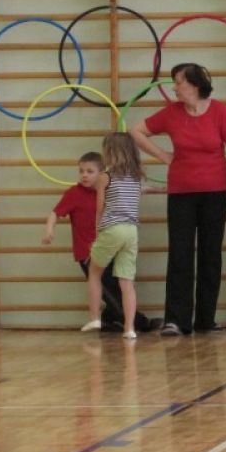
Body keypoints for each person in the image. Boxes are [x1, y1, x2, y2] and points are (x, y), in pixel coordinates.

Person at [131, 63, 226, 336]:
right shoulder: (171, 113)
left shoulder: (219, 111)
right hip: (181, 194)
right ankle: (176, 320)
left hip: (215, 192)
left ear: (195, 85)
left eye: (179, 82)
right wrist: (163, 155)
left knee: (211, 254)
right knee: (180, 254)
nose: (175, 88)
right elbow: (136, 131)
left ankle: (205, 319)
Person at [42, 152, 158, 333]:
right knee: (110, 292)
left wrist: (162, 189)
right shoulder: (74, 193)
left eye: (90, 171)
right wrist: (49, 230)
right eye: (81, 171)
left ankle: (111, 320)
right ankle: (140, 323)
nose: (84, 175)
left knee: (117, 288)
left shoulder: (109, 190)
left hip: (110, 249)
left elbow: (140, 188)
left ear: (102, 173)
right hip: (88, 254)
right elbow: (55, 213)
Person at [83, 133, 144, 339]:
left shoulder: (105, 177)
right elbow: (139, 193)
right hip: (131, 231)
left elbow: (100, 208)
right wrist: (161, 189)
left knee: (94, 271)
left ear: (109, 153)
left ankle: (94, 317)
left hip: (112, 229)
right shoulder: (135, 177)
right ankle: (130, 329)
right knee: (127, 282)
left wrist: (97, 233)